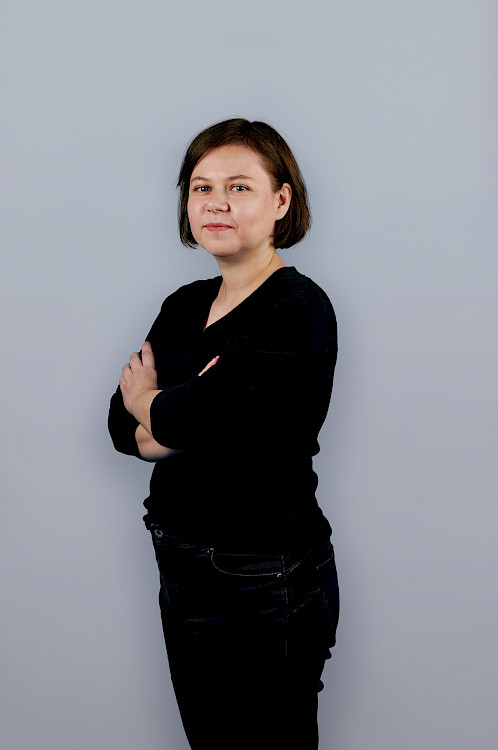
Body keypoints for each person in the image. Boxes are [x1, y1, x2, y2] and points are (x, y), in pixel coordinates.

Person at [108, 118, 340, 750]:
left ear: (281, 201)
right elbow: (119, 425)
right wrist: (169, 414)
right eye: (201, 187)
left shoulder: (298, 309)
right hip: (180, 562)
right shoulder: (184, 304)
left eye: (239, 187)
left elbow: (178, 416)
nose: (216, 203)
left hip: (262, 575)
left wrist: (152, 403)